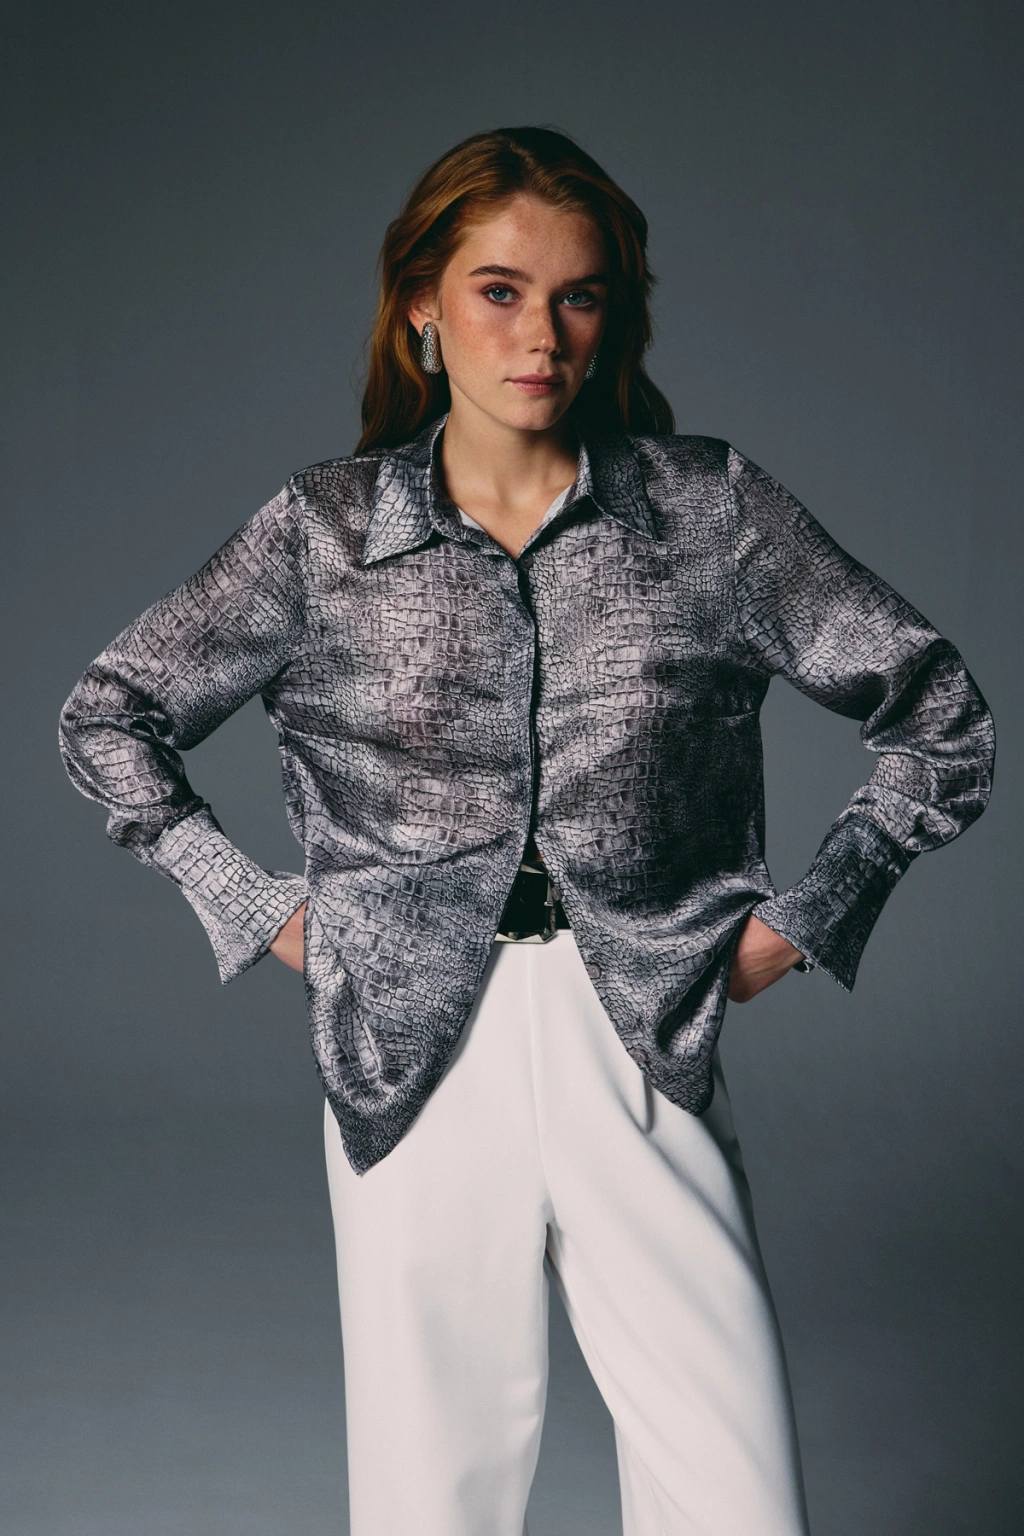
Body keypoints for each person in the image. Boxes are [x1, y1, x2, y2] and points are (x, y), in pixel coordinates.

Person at [59, 125, 994, 1536]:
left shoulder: (709, 514)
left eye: (579, 296)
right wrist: (264, 912)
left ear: (613, 317)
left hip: (643, 1033)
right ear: (422, 309)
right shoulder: (322, 534)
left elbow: (939, 716)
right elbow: (109, 716)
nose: (541, 336)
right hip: (412, 1057)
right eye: (499, 291)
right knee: (431, 1503)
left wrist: (805, 923)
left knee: (736, 1498)